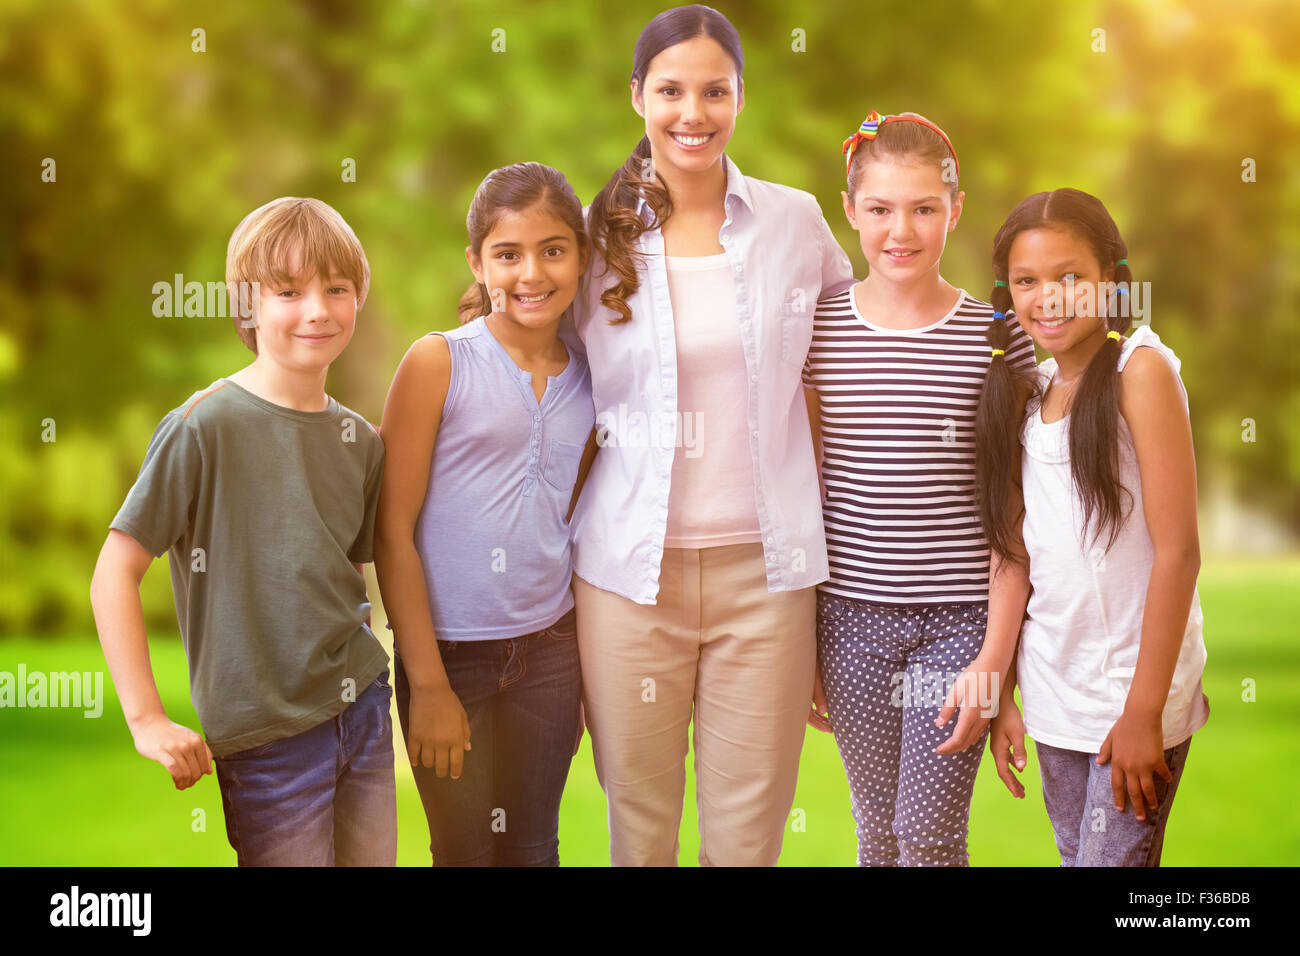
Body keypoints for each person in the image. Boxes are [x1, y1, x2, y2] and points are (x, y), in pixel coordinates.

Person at [569, 4, 855, 866]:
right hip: (627, 580)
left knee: (746, 841)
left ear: (740, 99)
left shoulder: (794, 224)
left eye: (714, 91)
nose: (692, 113)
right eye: (670, 91)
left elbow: (851, 351)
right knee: (641, 835)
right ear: (637, 97)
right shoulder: (590, 236)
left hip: (765, 584)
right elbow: (536, 372)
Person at [90, 197, 395, 866]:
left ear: (357, 299)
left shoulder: (357, 441)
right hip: (267, 738)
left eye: (336, 289)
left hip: (363, 708)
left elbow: (353, 572)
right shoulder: (203, 427)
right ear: (248, 306)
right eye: (289, 291)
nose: (317, 308)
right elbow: (115, 572)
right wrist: (145, 718)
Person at [801, 111, 1037, 866]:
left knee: (929, 837)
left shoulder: (1000, 337)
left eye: (924, 208)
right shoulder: (816, 328)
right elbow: (802, 486)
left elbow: (1014, 514)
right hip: (849, 621)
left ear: (954, 209)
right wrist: (805, 641)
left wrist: (995, 660)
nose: (901, 230)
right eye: (880, 209)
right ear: (850, 211)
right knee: (877, 837)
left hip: (960, 626)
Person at [977, 187, 1209, 867]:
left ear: (1111, 278)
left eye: (1070, 277)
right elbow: (1021, 558)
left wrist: (1143, 712)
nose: (1047, 297)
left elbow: (1179, 555)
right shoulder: (1033, 393)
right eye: (1027, 281)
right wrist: (1006, 695)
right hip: (1055, 700)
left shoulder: (1142, 370)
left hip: (1130, 703)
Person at [374, 162, 594, 866]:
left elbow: (574, 517)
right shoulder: (438, 362)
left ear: (581, 256)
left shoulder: (595, 374)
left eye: (553, 250)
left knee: (532, 849)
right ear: (477, 262)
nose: (532, 272)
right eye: (508, 254)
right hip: (449, 659)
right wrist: (429, 683)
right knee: (465, 852)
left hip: (551, 655)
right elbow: (391, 533)